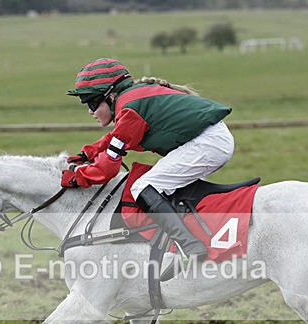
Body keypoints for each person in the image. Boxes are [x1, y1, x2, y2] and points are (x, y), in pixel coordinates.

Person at [62, 58, 234, 261]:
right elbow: (116, 137)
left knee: (141, 187)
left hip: (207, 144)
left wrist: (77, 177)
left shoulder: (129, 109)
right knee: (161, 185)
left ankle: (190, 248)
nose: (90, 111)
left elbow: (107, 169)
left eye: (92, 103)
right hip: (210, 139)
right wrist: (88, 153)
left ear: (110, 96)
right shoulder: (132, 98)